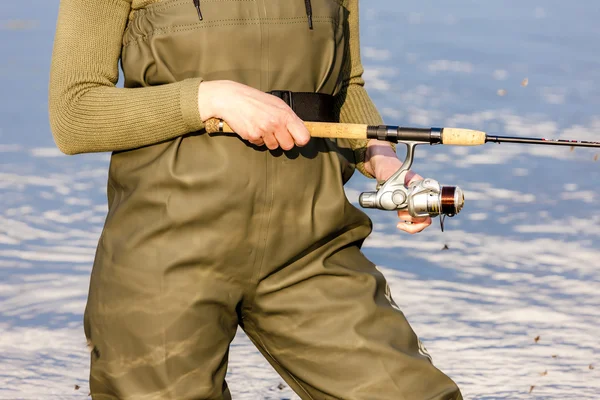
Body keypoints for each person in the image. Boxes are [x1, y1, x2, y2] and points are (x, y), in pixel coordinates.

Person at [49, 0, 462, 398]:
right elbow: (74, 113)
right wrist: (210, 97)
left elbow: (344, 89)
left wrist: (383, 159)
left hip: (312, 244)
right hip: (165, 250)